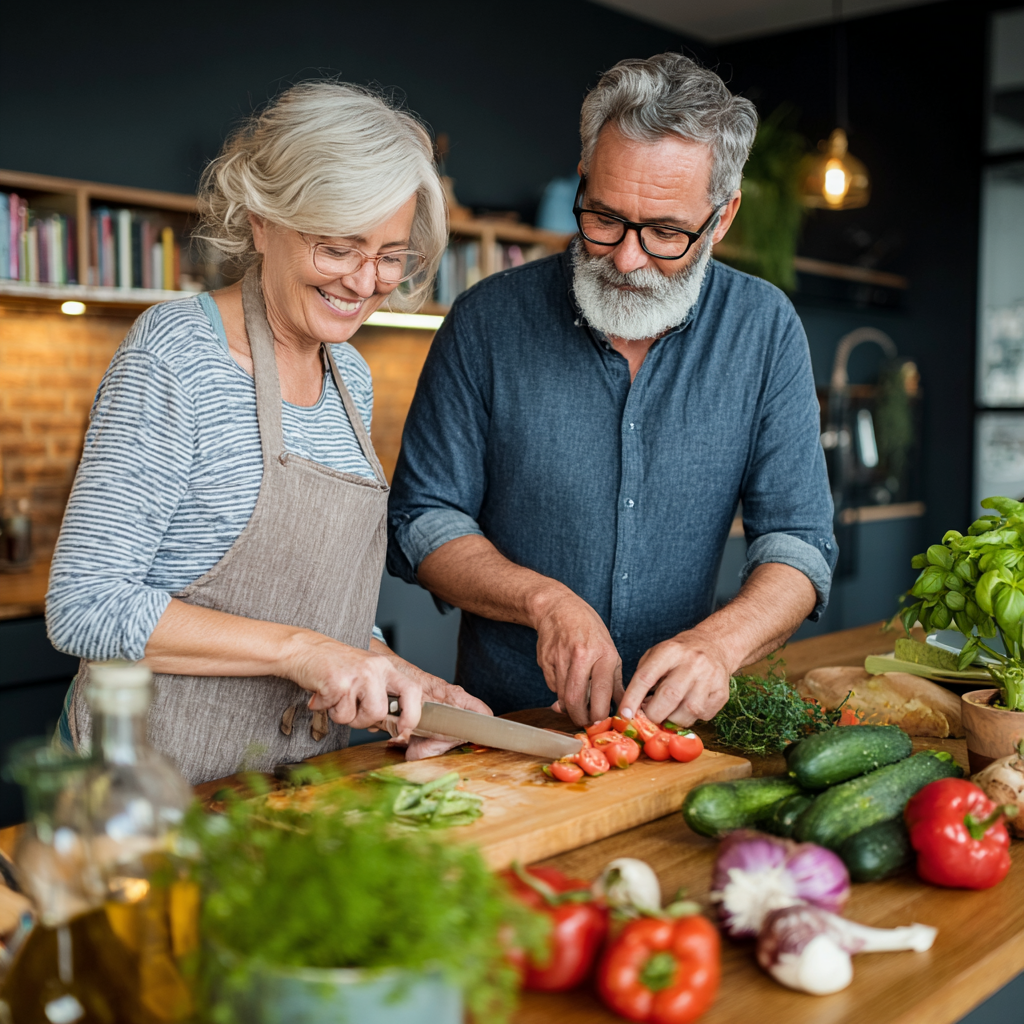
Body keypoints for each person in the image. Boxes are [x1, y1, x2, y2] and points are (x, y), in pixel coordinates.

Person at [47, 82, 489, 785]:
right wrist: (301, 651)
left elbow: (319, 613)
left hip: (295, 789)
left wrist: (396, 676)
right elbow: (85, 606)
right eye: (339, 247)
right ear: (262, 220)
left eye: (389, 254)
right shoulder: (175, 355)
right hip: (146, 796)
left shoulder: (350, 375)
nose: (365, 281)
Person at [387, 54, 838, 730]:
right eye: (603, 218)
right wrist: (544, 602)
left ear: (722, 217)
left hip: (679, 732)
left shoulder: (763, 329)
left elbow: (799, 542)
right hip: (508, 725)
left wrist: (719, 644)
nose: (626, 259)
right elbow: (424, 518)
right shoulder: (486, 320)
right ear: (583, 181)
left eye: (665, 233)